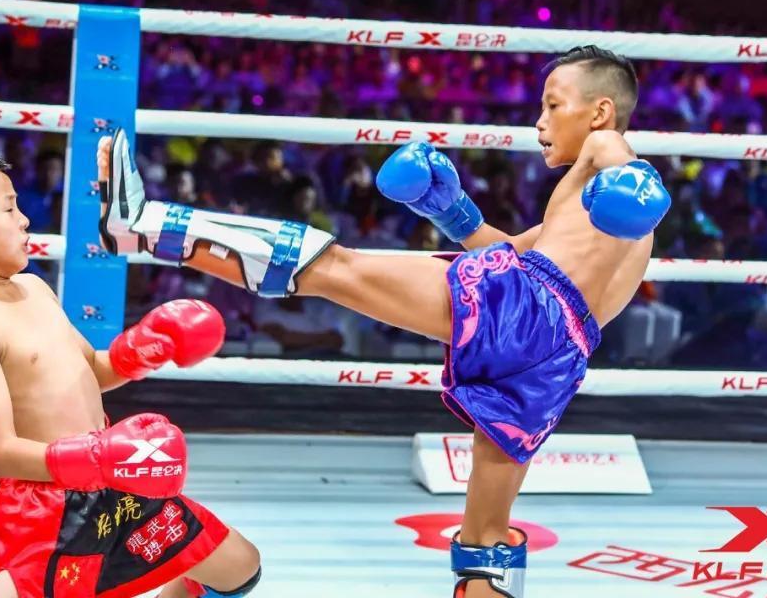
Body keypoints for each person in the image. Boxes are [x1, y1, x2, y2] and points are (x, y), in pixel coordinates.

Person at [100, 45, 670, 598]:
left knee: (337, 269)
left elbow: (617, 164)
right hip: (556, 357)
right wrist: (452, 211)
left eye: (553, 104)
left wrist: (634, 178)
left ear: (599, 111)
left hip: (528, 308)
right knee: (485, 535)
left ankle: (144, 226)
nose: (539, 121)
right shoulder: (606, 210)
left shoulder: (609, 152)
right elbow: (513, 252)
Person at [0, 150, 262, 598]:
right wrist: (95, 458)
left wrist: (144, 349)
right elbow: (0, 452)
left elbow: (90, 371)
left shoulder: (34, 288)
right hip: (42, 507)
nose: (25, 220)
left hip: (115, 487)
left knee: (240, 566)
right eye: (9, 208)